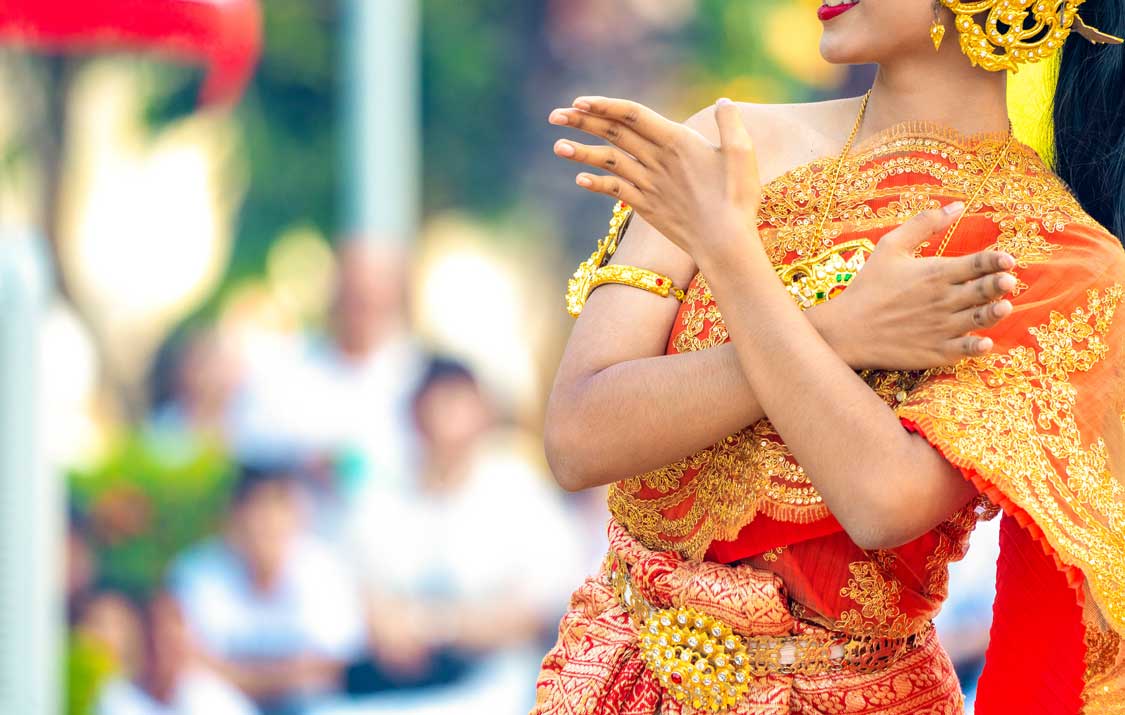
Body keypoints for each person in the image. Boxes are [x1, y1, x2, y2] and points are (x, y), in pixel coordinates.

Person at [536, 1, 1125, 713]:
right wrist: (838, 331)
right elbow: (576, 436)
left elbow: (882, 499)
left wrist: (729, 252)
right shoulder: (727, 146)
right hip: (617, 678)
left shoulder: (1056, 257)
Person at [342, 356, 585, 714]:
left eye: (457, 403)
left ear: (483, 413)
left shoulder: (518, 487)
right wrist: (385, 627)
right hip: (394, 687)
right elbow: (358, 593)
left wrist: (436, 627)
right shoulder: (382, 493)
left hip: (498, 684)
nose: (446, 419)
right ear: (414, 414)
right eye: (436, 405)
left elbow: (543, 606)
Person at [167, 462, 366, 715]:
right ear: (233, 517)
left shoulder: (325, 569)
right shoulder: (195, 575)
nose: (267, 524)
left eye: (277, 509)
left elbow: (336, 666)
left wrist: (242, 675)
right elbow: (188, 666)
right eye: (256, 510)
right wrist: (286, 675)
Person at [95, 592, 258, 715]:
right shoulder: (114, 697)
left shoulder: (217, 701)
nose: (162, 652)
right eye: (154, 643)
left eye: (171, 646)